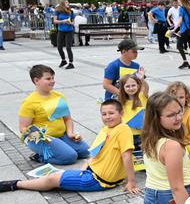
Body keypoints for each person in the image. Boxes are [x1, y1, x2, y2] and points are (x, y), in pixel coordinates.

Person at [2, 98, 137, 194]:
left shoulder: (123, 129)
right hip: (93, 172)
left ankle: (16, 184)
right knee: (60, 172)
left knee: (52, 178)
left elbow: (127, 156)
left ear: (121, 114)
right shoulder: (107, 128)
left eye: (111, 113)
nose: (107, 117)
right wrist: (87, 166)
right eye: (104, 114)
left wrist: (131, 182)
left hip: (98, 180)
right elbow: (96, 152)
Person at [142, 92, 190, 204]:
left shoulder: (150, 138)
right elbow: (177, 188)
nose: (178, 117)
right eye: (171, 115)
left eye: (179, 111)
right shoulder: (171, 145)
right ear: (156, 119)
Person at [18, 65, 89, 165]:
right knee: (70, 157)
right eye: (48, 78)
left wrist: (70, 133)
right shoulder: (29, 102)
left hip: (61, 135)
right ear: (36, 80)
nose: (52, 81)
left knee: (85, 151)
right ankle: (40, 157)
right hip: (43, 140)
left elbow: (67, 119)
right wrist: (42, 137)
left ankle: (60, 148)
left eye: (53, 78)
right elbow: (23, 128)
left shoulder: (59, 96)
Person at [118, 73, 149, 150]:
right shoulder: (121, 102)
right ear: (123, 88)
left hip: (143, 134)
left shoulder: (142, 96)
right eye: (127, 86)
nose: (131, 88)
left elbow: (146, 88)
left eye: (133, 85)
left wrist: (142, 80)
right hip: (128, 135)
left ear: (138, 86)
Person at [171, 0, 190, 70]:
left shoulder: (181, 8)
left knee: (179, 46)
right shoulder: (189, 7)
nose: (177, 1)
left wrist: (174, 29)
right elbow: (186, 20)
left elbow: (180, 20)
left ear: (180, 0)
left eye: (178, 0)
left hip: (185, 30)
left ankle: (185, 62)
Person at [53, 0, 75, 69]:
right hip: (61, 30)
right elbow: (55, 21)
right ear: (62, 4)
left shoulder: (71, 11)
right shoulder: (57, 11)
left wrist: (70, 23)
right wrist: (63, 21)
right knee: (59, 47)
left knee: (68, 47)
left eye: (68, 2)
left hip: (69, 30)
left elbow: (73, 22)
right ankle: (63, 60)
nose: (68, 3)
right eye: (66, 2)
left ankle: (71, 63)